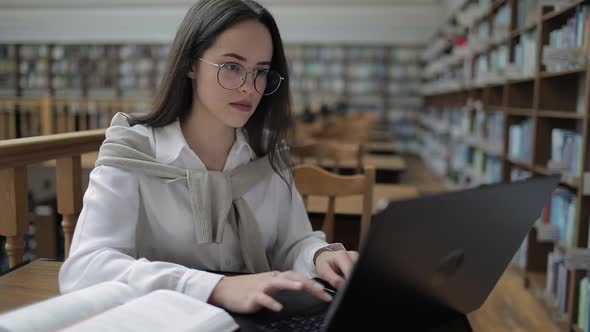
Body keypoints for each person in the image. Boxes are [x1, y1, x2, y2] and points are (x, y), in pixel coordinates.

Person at [59, 0, 358, 315]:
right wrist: (214, 288)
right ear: (190, 64)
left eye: (261, 72)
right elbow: (84, 269)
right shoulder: (134, 149)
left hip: (256, 317)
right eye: (232, 67)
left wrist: (319, 255)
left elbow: (292, 242)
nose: (249, 88)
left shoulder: (267, 155)